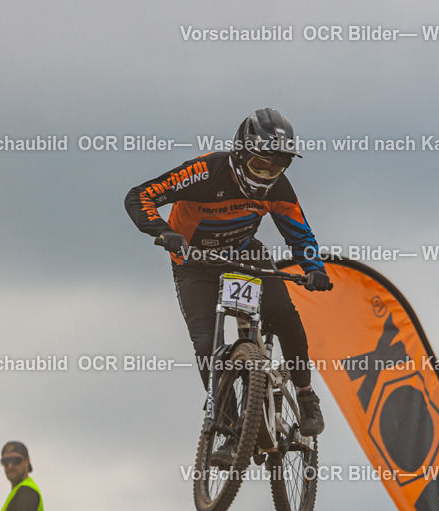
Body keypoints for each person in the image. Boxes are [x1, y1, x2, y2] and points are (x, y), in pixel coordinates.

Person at [125, 108, 333, 447]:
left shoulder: (278, 189)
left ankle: (306, 395)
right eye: (259, 165)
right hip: (194, 264)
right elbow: (140, 195)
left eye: (275, 168)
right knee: (208, 345)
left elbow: (299, 233)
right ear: (240, 154)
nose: (266, 175)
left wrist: (314, 269)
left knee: (282, 314)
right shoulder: (205, 172)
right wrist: (163, 231)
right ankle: (229, 426)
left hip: (245, 254)